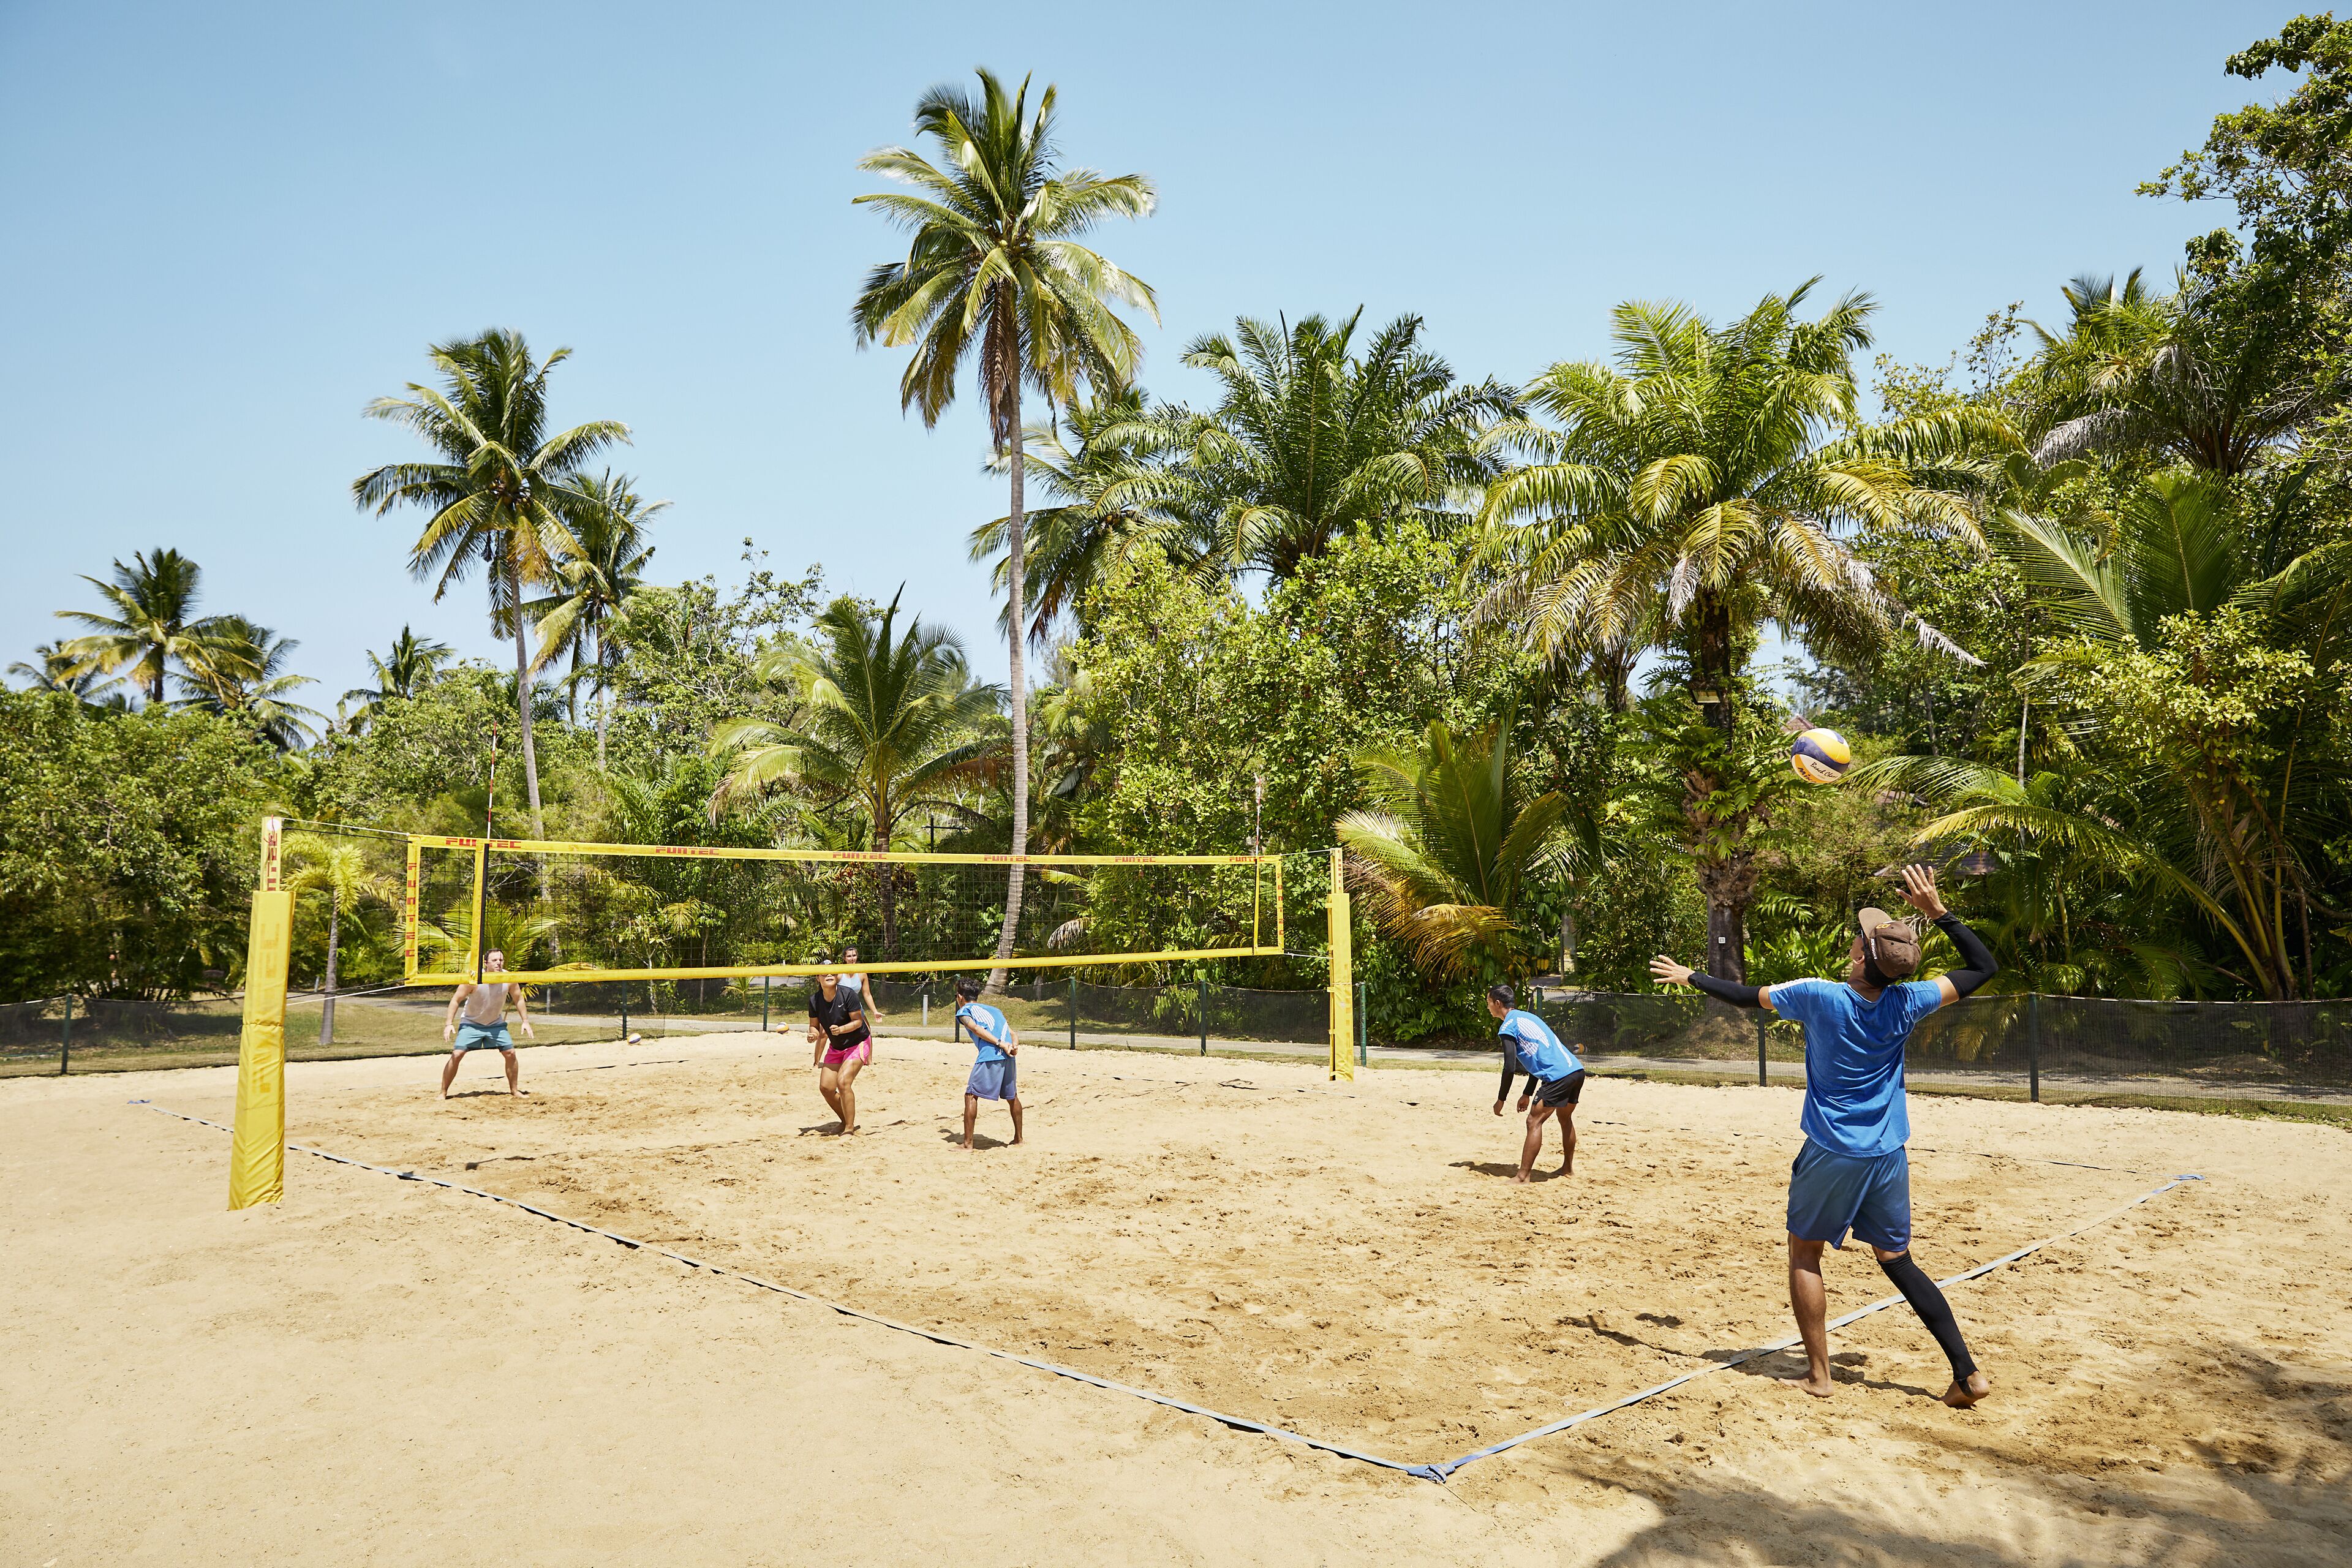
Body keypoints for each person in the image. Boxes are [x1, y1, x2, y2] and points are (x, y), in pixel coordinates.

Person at [1649, 864, 1999, 1409]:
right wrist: (1939, 913)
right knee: (1898, 1259)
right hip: (1887, 1152)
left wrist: (1692, 976)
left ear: (1862, 957)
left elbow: (1746, 998)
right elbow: (1984, 966)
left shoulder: (1821, 995)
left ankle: (1819, 1376)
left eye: (1861, 939)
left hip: (1834, 1149)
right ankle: (1967, 1372)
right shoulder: (1909, 1001)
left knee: (1804, 1254)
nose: (1857, 939)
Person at [1487, 983, 1586, 1182]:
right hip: (1576, 1072)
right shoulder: (1528, 1017)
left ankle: (1523, 1176)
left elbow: (1509, 1067)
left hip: (1559, 1077)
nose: (1488, 1007)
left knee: (1534, 1121)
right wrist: (1527, 1093)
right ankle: (1567, 1169)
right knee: (1565, 1119)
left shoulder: (1508, 1026)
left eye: (1489, 1003)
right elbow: (1536, 1057)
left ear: (1498, 1003)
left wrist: (1501, 1099)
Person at [440, 951, 534, 1098]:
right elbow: (455, 1000)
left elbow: (518, 999)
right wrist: (449, 1024)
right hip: (471, 1023)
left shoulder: (508, 978)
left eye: (501, 959)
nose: (499, 962)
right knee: (457, 1054)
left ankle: (515, 1091)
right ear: (485, 963)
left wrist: (525, 1021)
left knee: (511, 1054)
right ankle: (443, 1092)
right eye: (495, 960)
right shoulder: (473, 978)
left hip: (495, 1024)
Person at [952, 977, 1023, 1150]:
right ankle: (1019, 1140)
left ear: (960, 997)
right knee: (1012, 1097)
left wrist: (1000, 1044)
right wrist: (1013, 1046)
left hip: (991, 1054)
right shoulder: (995, 1010)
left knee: (971, 1095)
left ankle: (967, 1144)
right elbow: (1013, 1033)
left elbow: (977, 1029)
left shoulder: (964, 1011)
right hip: (1009, 1057)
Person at [804, 965, 871, 1135]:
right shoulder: (815, 1000)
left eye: (833, 971)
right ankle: (846, 1120)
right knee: (826, 1088)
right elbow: (814, 1026)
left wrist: (842, 1029)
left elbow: (859, 1022)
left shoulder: (847, 994)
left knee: (843, 1082)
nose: (829, 974)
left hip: (858, 1042)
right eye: (824, 973)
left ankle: (849, 1129)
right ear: (817, 978)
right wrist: (813, 1035)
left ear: (838, 976)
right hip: (837, 1046)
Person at [839, 944, 884, 1020]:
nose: (852, 958)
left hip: (855, 1006)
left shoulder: (862, 974)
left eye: (854, 955)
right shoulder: (839, 973)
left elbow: (867, 995)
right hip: (840, 1007)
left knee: (867, 1031)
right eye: (849, 956)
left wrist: (875, 1012)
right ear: (844, 958)